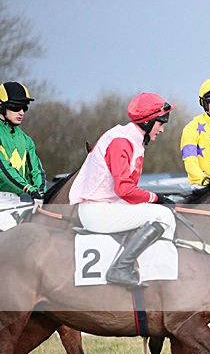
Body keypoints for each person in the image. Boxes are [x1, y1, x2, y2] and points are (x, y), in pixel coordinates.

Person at [69, 93, 177, 287]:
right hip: (98, 211)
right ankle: (120, 269)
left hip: (106, 206)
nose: (162, 129)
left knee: (160, 211)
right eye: (161, 123)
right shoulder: (122, 141)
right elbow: (124, 189)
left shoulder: (129, 139)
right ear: (147, 122)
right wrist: (156, 197)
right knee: (163, 216)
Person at [0, 81, 45, 205]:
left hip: (18, 200)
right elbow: (3, 169)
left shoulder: (26, 140)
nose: (21, 112)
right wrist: (29, 189)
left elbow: (36, 170)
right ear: (1, 106)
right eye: (15, 107)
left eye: (24, 107)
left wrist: (41, 192)